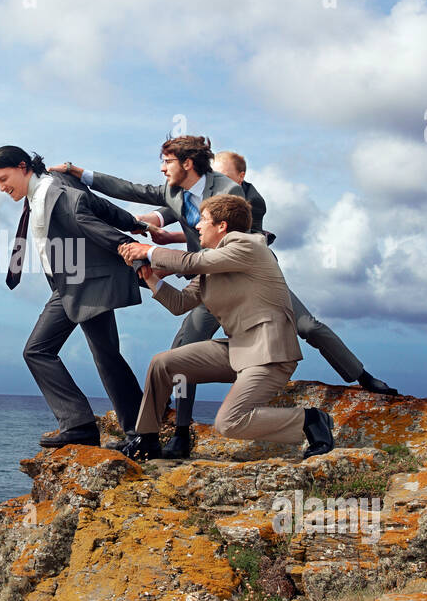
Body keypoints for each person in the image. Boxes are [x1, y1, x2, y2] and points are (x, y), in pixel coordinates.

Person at [52, 136, 397, 458]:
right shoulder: (175, 193)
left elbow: (232, 239)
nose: (162, 168)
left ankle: (361, 376)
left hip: (248, 278)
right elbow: (135, 192)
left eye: (167, 161)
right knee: (176, 355)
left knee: (308, 326)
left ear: (188, 163)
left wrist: (157, 251)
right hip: (206, 278)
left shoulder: (229, 192)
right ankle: (179, 434)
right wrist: (82, 175)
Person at [116, 194, 335, 462]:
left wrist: (147, 251)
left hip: (269, 355)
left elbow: (190, 262)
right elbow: (180, 303)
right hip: (238, 349)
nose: (197, 227)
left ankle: (311, 420)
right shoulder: (213, 265)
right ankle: (147, 439)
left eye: (203, 221)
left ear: (222, 226)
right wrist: (149, 277)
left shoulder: (248, 245)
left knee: (228, 423)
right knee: (163, 363)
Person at [0, 145, 147, 448]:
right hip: (71, 283)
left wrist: (130, 247)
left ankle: (80, 425)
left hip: (82, 281)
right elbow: (99, 205)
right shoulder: (50, 188)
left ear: (23, 167)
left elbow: (88, 221)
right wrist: (136, 223)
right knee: (106, 356)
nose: (2, 188)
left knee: (37, 351)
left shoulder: (54, 190)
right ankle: (139, 432)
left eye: (4, 179)